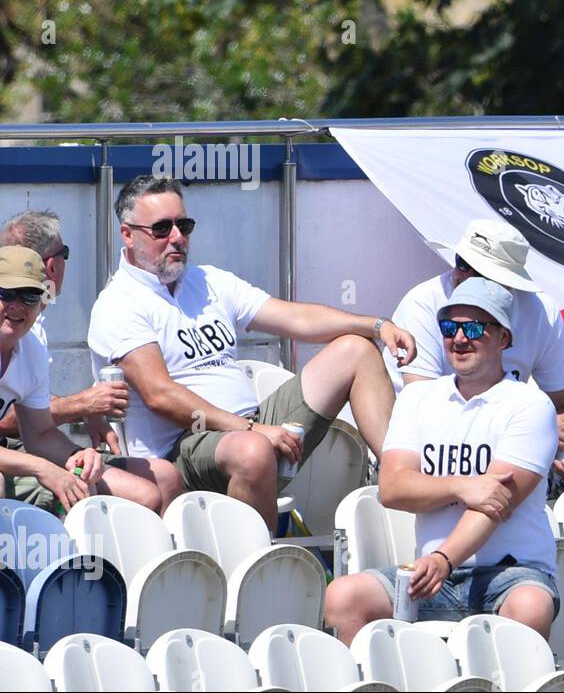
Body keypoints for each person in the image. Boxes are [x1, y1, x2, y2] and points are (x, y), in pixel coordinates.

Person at [86, 175, 417, 530]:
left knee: (357, 350)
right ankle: (260, 571)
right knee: (252, 450)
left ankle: (402, 477)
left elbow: (298, 318)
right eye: (162, 228)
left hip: (249, 424)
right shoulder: (119, 304)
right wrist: (252, 429)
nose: (178, 237)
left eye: (184, 225)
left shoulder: (208, 281)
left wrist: (378, 326)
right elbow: (160, 396)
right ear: (127, 234)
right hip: (181, 448)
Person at [325, 277, 560, 645]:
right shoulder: (418, 398)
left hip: (510, 575)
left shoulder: (530, 405)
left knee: (530, 605)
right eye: (450, 328)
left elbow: (494, 505)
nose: (460, 338)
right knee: (344, 597)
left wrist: (443, 558)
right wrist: (462, 485)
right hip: (432, 578)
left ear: (504, 338)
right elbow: (393, 488)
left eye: (474, 327)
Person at [388, 219, 564, 480]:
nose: (464, 276)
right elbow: (426, 411)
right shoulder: (423, 303)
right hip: (426, 447)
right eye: (461, 263)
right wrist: (535, 425)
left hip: (507, 438)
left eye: (481, 272)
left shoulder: (542, 311)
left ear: (508, 283)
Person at [0, 246, 180, 514]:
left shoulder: (32, 349)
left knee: (148, 490)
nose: (17, 305)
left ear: (42, 301)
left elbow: (39, 435)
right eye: (6, 293)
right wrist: (42, 467)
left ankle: (121, 556)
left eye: (29, 295)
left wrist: (77, 455)